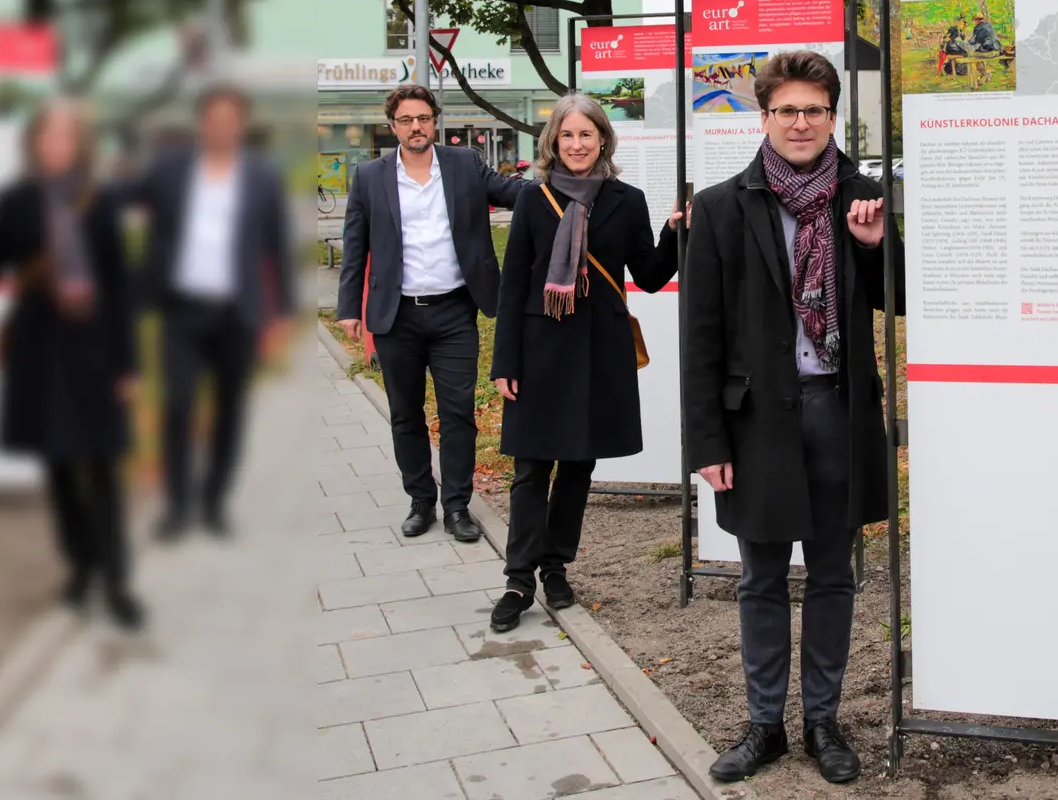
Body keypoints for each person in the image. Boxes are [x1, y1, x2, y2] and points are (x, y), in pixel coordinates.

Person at [682, 51, 905, 785]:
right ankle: (764, 725)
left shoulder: (864, 197)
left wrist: (875, 249)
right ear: (765, 116)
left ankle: (823, 722)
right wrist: (705, 439)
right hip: (756, 425)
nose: (801, 123)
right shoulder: (721, 207)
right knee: (761, 577)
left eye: (814, 110)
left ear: (833, 117)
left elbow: (899, 299)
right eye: (787, 110)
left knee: (836, 575)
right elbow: (702, 336)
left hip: (838, 411)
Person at [488, 92, 683, 633]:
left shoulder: (627, 199)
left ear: (603, 139)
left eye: (586, 135)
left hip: (599, 350)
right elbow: (512, 286)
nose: (576, 144)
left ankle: (556, 568)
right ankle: (517, 579)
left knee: (578, 467)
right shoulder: (533, 200)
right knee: (531, 469)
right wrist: (505, 361)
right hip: (540, 349)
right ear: (554, 141)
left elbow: (645, 275)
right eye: (567, 135)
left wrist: (672, 232)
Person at [0, 98, 144, 629]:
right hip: (39, 351)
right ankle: (80, 568)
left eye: (66, 137)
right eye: (47, 136)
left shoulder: (101, 200)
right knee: (59, 468)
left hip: (94, 348)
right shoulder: (13, 202)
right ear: (35, 141)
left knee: (104, 468)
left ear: (79, 144)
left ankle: (116, 582)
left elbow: (119, 285)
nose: (56, 145)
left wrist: (127, 365)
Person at [337, 84, 523, 542]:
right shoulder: (370, 176)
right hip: (396, 316)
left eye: (423, 118)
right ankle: (420, 500)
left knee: (459, 413)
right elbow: (355, 244)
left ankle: (457, 505)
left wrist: (569, 183)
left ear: (435, 121)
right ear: (393, 126)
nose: (415, 127)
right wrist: (348, 309)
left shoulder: (463, 164)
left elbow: (512, 192)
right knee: (405, 414)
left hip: (454, 312)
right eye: (406, 120)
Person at [132, 85, 294, 541]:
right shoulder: (170, 170)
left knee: (230, 410)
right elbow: (126, 199)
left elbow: (276, 248)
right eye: (214, 118)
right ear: (202, 123)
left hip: (236, 314)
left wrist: (279, 314)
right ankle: (178, 507)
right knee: (178, 404)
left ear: (241, 125)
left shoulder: (262, 178)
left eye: (231, 119)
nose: (222, 127)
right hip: (181, 311)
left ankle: (214, 503)